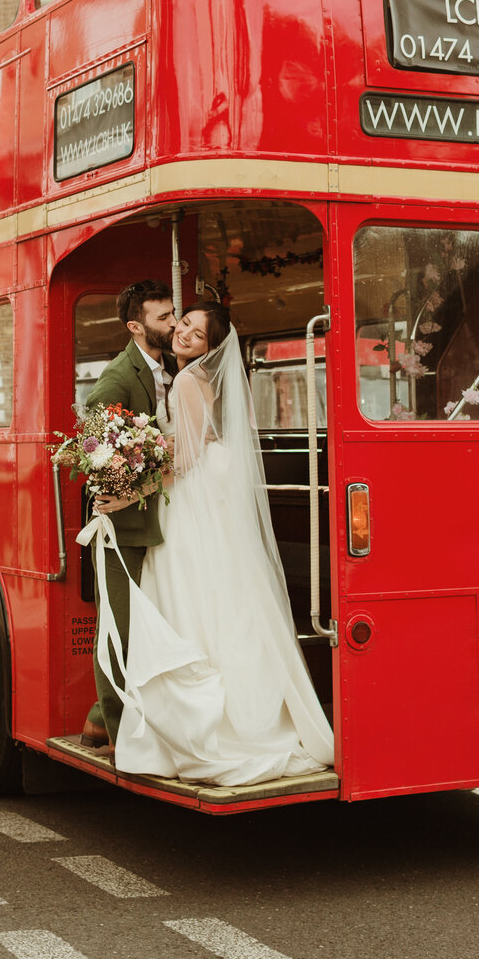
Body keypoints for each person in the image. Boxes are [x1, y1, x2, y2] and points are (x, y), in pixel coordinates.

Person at [80, 303, 335, 787]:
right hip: (198, 495)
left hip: (187, 496)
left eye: (197, 334)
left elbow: (188, 457)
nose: (184, 333)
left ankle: (206, 726)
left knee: (187, 598)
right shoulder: (192, 378)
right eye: (183, 324)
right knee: (214, 597)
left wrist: (128, 492)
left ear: (210, 347)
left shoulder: (187, 381)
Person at [80, 280, 177, 750]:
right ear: (135, 327)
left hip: (155, 525)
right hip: (122, 528)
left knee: (146, 626)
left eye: (174, 313)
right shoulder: (117, 379)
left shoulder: (167, 368)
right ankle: (116, 733)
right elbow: (97, 454)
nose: (174, 323)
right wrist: (132, 487)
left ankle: (99, 719)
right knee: (119, 627)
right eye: (164, 317)